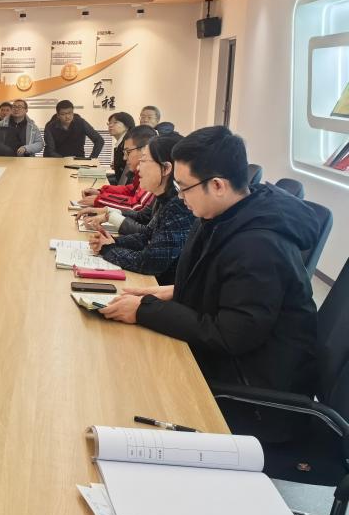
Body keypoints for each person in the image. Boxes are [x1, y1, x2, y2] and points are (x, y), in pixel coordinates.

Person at [98, 126, 319, 433]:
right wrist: (172, 293)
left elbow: (230, 336)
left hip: (253, 399)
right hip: (231, 367)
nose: (180, 196)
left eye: (184, 187)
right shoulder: (223, 215)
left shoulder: (259, 247)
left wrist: (145, 310)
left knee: (126, 386)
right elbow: (223, 288)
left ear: (217, 185)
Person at [85, 134, 195, 285]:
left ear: (166, 168)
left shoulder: (178, 205)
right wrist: (113, 241)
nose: (138, 168)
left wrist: (107, 249)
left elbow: (150, 263)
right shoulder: (165, 197)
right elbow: (146, 236)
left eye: (143, 160)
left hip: (160, 288)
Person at [76, 125, 157, 210]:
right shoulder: (142, 172)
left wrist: (101, 200)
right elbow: (131, 190)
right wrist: (101, 192)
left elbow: (137, 206)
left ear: (145, 150)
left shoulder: (153, 174)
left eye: (128, 152)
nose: (124, 158)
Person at [105, 111, 136, 185]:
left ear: (127, 126)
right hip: (120, 181)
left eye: (115, 122)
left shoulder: (129, 142)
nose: (110, 125)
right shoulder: (121, 142)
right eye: (109, 123)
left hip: (127, 186)